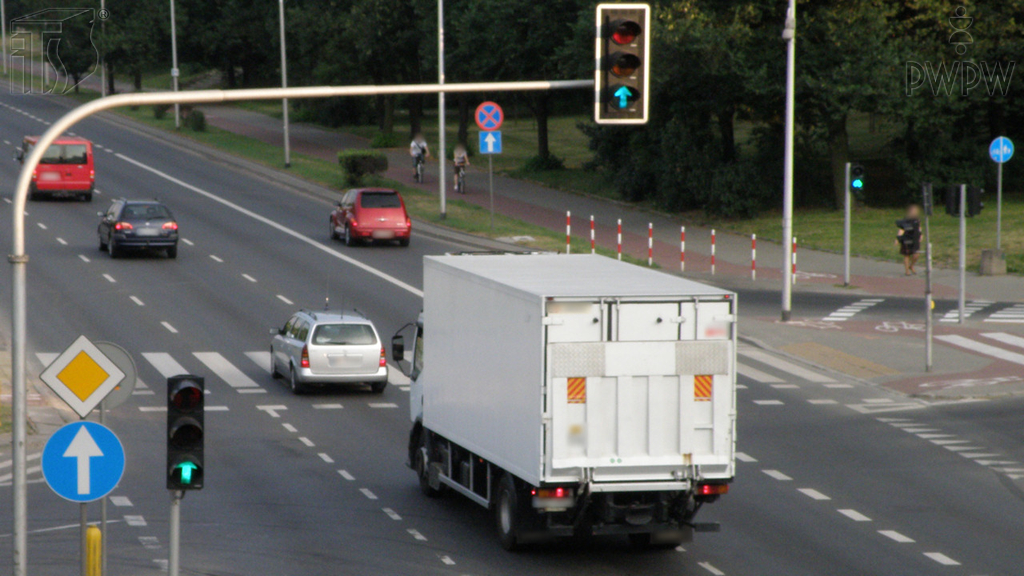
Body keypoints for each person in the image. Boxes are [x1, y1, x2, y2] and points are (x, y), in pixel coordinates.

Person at [895, 204, 922, 276]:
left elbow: (919, 227)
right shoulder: (906, 220)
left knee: (916, 254)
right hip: (907, 238)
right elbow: (901, 229)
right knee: (907, 255)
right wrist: (898, 239)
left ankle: (911, 266)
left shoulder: (917, 219)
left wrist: (920, 235)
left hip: (915, 239)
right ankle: (907, 271)